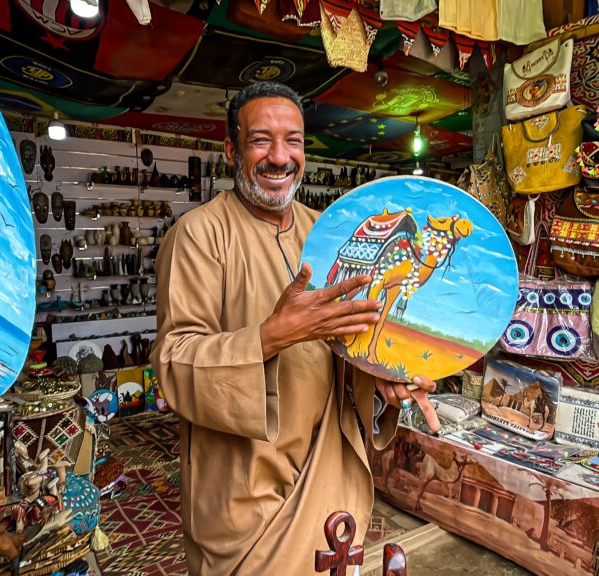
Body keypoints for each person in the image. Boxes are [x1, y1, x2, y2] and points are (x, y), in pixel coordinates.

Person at [151, 81, 440, 575]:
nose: (280, 157)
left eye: (294, 141)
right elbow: (174, 363)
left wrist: (384, 377)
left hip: (329, 471)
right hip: (247, 495)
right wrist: (270, 336)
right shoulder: (197, 236)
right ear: (231, 150)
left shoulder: (325, 231)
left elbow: (348, 341)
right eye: (261, 140)